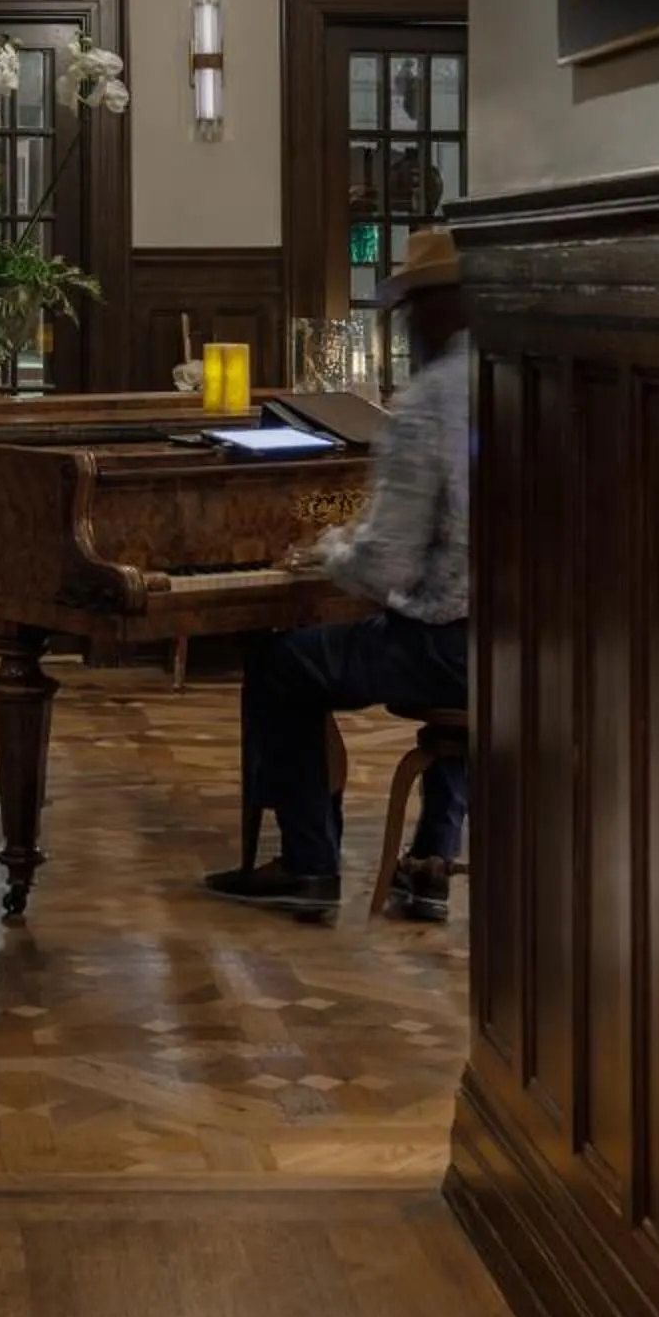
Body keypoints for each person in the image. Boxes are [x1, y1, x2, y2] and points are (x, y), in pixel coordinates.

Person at [204, 224, 469, 922]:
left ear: (440, 309)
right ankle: (433, 856)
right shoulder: (539, 377)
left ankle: (309, 864)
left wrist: (328, 552)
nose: (408, 324)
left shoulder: (428, 406)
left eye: (414, 307)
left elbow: (386, 568)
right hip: (538, 647)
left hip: (446, 650)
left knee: (281, 665)